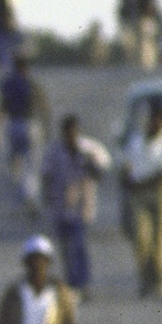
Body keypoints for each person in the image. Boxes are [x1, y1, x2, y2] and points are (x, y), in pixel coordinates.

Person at [40, 114, 111, 295]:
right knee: (66, 248)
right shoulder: (54, 152)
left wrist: (89, 164)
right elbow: (46, 175)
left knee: (78, 245)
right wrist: (48, 198)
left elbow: (101, 170)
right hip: (61, 207)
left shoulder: (89, 149)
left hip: (81, 206)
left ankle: (81, 283)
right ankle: (72, 283)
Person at [125, 97, 162, 299]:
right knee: (141, 240)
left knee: (160, 242)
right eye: (152, 118)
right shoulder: (136, 141)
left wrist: (140, 181)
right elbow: (128, 167)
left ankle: (159, 282)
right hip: (138, 196)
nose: (154, 122)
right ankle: (145, 281)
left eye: (159, 119)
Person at [0, 51, 49, 211]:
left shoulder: (8, 83)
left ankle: (21, 193)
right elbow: (43, 105)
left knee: (16, 162)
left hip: (13, 125)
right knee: (31, 164)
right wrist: (46, 126)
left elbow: (2, 106)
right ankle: (29, 196)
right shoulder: (31, 83)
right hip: (30, 123)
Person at [117, 0, 162, 71]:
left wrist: (149, 13)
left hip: (144, 17)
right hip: (131, 17)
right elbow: (124, 1)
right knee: (130, 43)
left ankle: (147, 68)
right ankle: (134, 66)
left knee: (145, 43)